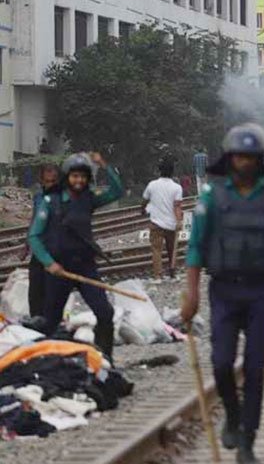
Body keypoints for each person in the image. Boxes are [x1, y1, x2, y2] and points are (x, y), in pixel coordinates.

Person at [181, 124, 264, 463]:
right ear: (229, 158)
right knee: (221, 363)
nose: (244, 162)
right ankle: (232, 415)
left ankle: (248, 440)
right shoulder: (212, 196)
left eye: (250, 157)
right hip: (222, 292)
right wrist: (191, 294)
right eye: (238, 156)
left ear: (258, 159)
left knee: (255, 368)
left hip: (260, 292)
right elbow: (195, 247)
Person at [28, 152, 122, 360]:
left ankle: (105, 360)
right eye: (75, 176)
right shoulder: (50, 201)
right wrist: (49, 263)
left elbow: (117, 192)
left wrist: (104, 166)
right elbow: (34, 236)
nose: (79, 180)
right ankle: (46, 362)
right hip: (59, 271)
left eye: (83, 176)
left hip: (85, 267)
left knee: (105, 313)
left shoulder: (89, 199)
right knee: (50, 322)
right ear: (67, 177)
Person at [19, 164, 61, 318]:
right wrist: (26, 245)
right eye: (47, 181)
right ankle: (36, 319)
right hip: (39, 249)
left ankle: (50, 320)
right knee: (35, 287)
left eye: (53, 181)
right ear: (42, 181)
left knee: (53, 289)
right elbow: (34, 220)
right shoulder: (38, 197)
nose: (50, 185)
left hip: (56, 250)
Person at [143, 161, 183, 278]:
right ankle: (172, 274)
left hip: (155, 223)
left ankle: (158, 276)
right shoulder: (177, 187)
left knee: (156, 250)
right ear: (172, 172)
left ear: (159, 171)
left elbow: (145, 200)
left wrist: (142, 209)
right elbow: (177, 206)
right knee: (172, 249)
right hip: (171, 224)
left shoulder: (152, 185)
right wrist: (179, 221)